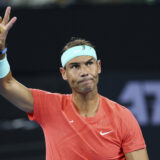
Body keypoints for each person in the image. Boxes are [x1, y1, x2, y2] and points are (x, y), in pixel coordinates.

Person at [0, 7, 149, 160]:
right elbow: (6, 85)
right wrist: (1, 51)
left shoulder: (122, 117)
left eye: (89, 63)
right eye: (75, 66)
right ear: (63, 73)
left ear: (98, 67)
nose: (84, 71)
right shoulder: (49, 106)